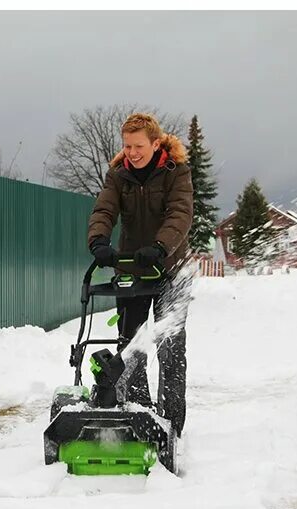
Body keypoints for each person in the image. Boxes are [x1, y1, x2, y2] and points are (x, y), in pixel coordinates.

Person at [86, 113, 193, 437]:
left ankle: (171, 425)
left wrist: (161, 246)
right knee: (131, 346)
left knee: (170, 348)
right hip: (132, 269)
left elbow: (180, 212)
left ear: (156, 143)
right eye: (127, 146)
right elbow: (104, 209)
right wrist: (98, 241)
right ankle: (139, 416)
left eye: (139, 146)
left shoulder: (176, 172)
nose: (132, 152)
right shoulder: (118, 175)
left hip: (170, 269)